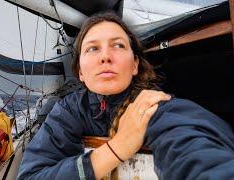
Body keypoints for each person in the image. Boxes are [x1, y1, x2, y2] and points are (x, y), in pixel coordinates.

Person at [18, 12, 234, 180]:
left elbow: (193, 151)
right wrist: (116, 149)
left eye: (118, 45)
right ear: (81, 73)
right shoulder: (68, 110)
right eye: (92, 49)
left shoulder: (155, 107)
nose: (105, 56)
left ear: (135, 65)